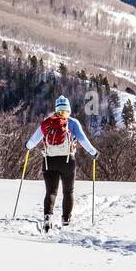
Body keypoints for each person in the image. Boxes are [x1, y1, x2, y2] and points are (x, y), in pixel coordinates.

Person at [26, 96, 98, 230]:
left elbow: (33, 140)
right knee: (68, 191)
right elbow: (83, 140)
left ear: (56, 109)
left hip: (49, 161)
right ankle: (66, 219)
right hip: (67, 161)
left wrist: (28, 147)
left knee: (51, 192)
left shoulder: (48, 122)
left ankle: (48, 217)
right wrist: (93, 152)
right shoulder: (73, 122)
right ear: (68, 110)